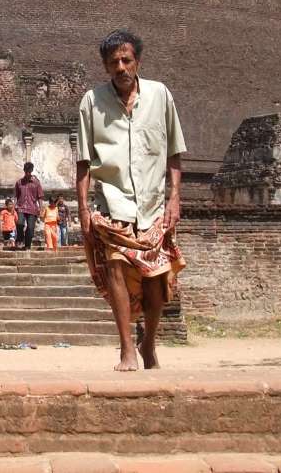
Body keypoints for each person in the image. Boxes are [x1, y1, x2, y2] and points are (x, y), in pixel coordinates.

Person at [76, 29, 187, 372]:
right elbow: (83, 161)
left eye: (126, 60)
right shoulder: (92, 103)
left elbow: (174, 153)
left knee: (157, 284)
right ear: (106, 67)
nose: (121, 67)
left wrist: (175, 198)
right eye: (114, 63)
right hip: (113, 206)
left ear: (138, 61)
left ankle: (148, 343)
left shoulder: (160, 96)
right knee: (116, 272)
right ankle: (126, 348)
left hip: (154, 207)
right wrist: (82, 210)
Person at [14, 162, 45, 250]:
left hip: (32, 208)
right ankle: (20, 238)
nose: (27, 173)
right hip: (21, 207)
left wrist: (41, 208)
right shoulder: (19, 182)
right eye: (26, 171)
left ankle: (27, 245)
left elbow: (40, 196)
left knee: (30, 228)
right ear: (24, 170)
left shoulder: (36, 183)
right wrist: (14, 207)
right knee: (20, 223)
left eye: (29, 171)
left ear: (31, 171)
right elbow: (16, 195)